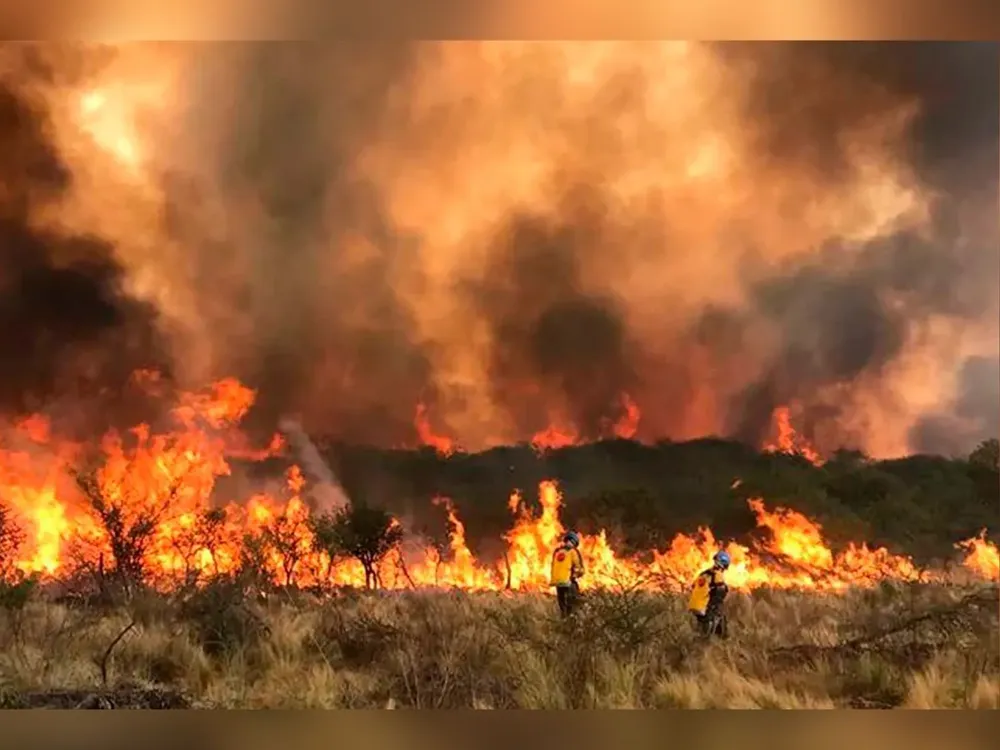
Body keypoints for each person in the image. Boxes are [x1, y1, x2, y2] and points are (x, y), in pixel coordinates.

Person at [688, 550, 731, 638]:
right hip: (706, 609)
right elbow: (720, 594)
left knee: (699, 628)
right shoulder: (718, 574)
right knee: (720, 615)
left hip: (693, 607)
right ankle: (719, 639)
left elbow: (693, 586)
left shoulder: (703, 573)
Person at [550, 530, 585, 617]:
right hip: (567, 581)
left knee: (562, 605)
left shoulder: (557, 551)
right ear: (575, 543)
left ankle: (563, 618)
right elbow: (579, 568)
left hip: (557, 582)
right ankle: (571, 618)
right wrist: (578, 574)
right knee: (574, 602)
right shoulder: (573, 552)